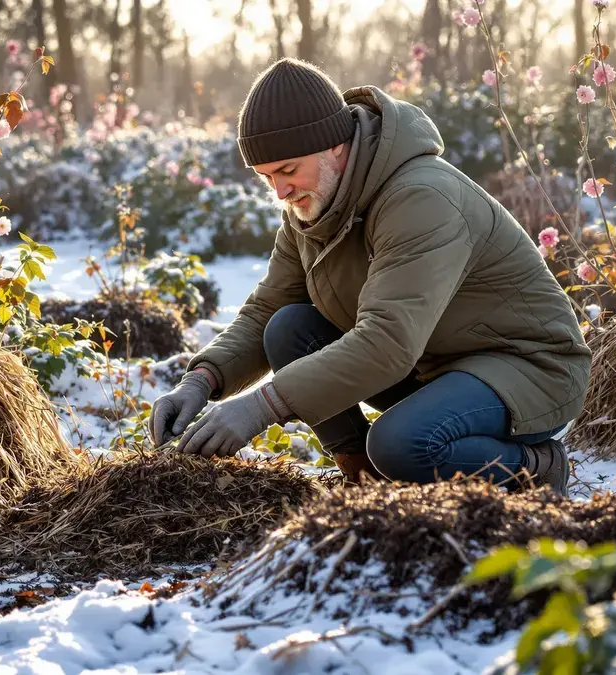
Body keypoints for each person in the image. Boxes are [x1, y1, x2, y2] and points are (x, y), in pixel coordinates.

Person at [148, 58, 591, 495]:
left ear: (336, 146)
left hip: (526, 369)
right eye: (266, 178)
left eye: (287, 170)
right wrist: (201, 381)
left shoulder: (420, 197)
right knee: (289, 329)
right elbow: (269, 308)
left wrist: (261, 407)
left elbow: (387, 341)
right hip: (433, 366)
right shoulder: (311, 204)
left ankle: (538, 468)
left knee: (401, 444)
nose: (280, 192)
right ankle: (363, 483)